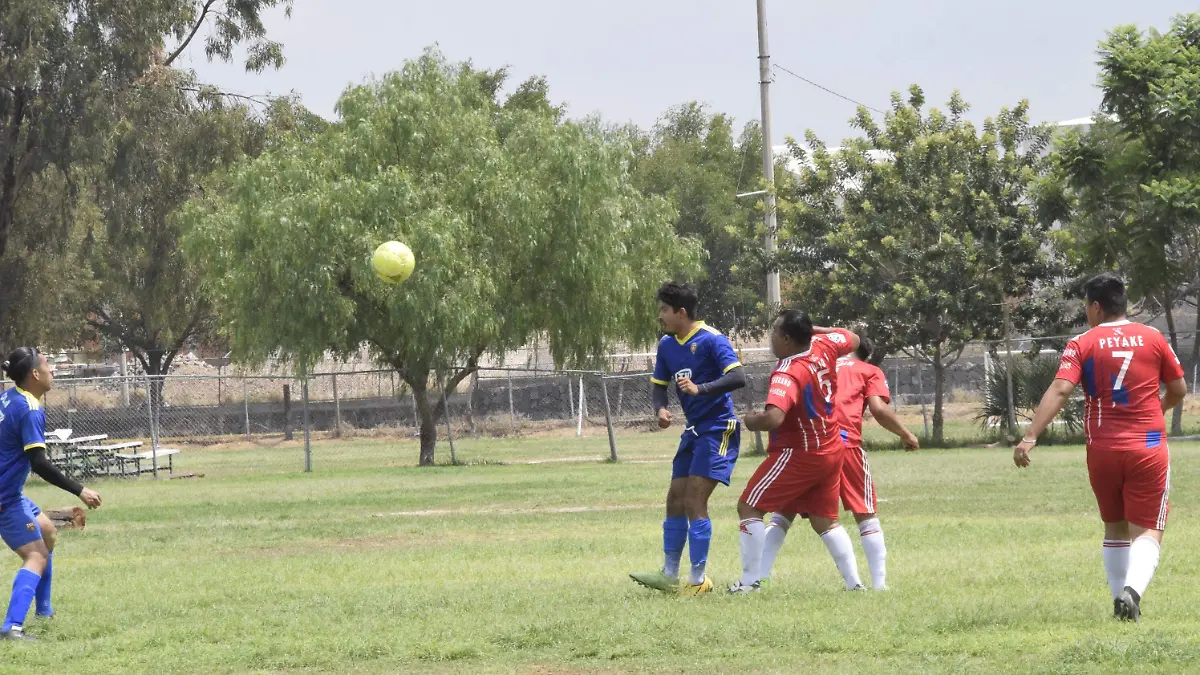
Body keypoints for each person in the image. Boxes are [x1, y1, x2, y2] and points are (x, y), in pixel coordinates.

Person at [1014, 274, 1187, 621]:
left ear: (1095, 306)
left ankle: (1118, 601)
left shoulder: (1082, 342)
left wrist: (1030, 435)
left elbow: (1061, 390)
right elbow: (1179, 388)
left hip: (1103, 447)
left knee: (1114, 524)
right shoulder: (1153, 337)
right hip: (1148, 445)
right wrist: (1159, 408)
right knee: (1148, 528)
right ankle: (1132, 592)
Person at [757, 337, 919, 591]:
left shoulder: (817, 364)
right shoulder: (868, 370)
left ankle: (760, 578)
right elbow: (878, 408)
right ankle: (878, 585)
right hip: (845, 443)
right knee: (865, 515)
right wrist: (906, 434)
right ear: (864, 354)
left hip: (807, 445)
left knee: (782, 514)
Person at [729, 311, 863, 593]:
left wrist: (752, 420)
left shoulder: (788, 370)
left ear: (787, 339)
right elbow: (853, 338)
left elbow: (774, 418)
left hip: (800, 452)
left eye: (776, 332)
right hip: (830, 447)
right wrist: (810, 328)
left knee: (749, 507)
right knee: (825, 521)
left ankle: (749, 583)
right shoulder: (824, 345)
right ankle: (855, 584)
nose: (772, 337)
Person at [630, 283, 747, 596]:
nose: (660, 316)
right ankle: (669, 574)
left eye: (664, 310)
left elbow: (738, 377)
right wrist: (661, 408)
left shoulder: (712, 339)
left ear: (681, 312)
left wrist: (702, 388)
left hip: (719, 427)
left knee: (695, 499)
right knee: (675, 498)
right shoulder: (668, 345)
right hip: (693, 430)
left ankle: (698, 580)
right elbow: (658, 386)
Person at [0, 348, 102, 641]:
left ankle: (44, 611)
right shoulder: (29, 409)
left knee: (48, 533)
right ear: (35, 374)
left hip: (11, 493)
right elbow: (40, 464)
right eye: (48, 365)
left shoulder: (8, 397)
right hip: (5, 498)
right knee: (36, 555)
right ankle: (12, 628)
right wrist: (80, 490)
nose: (52, 370)